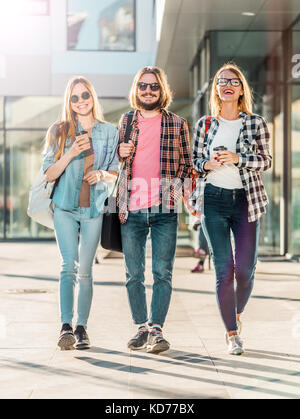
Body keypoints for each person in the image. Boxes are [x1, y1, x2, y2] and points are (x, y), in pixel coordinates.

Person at [192, 63, 272, 355]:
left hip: (246, 201)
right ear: (216, 89)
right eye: (222, 80)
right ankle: (232, 333)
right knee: (223, 269)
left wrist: (238, 158)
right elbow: (194, 162)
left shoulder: (255, 123)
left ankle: (235, 313)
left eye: (234, 81)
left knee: (245, 271)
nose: (227, 84)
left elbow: (266, 161)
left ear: (241, 90)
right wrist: (207, 164)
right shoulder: (205, 124)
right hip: (213, 199)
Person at [117, 66, 192, 354]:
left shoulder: (177, 123)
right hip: (130, 208)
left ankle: (157, 329)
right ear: (137, 89)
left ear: (162, 90)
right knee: (133, 274)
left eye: (154, 87)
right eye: (143, 86)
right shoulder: (125, 121)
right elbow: (114, 165)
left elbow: (187, 165)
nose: (148, 91)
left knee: (162, 272)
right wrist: (119, 153)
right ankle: (141, 328)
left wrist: (179, 193)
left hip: (164, 208)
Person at [43, 76, 119, 350]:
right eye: (74, 98)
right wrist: (69, 152)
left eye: (84, 95)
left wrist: (101, 174)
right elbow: (49, 173)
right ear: (69, 101)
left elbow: (115, 173)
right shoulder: (60, 131)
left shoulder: (109, 132)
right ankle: (65, 326)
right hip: (64, 207)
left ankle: (81, 327)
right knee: (67, 267)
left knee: (85, 270)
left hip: (94, 209)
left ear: (92, 96)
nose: (80, 101)